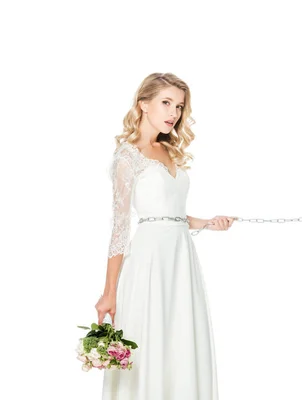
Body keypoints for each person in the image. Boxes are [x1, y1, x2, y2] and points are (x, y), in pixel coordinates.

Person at [95, 72, 234, 400]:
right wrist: (109, 292)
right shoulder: (127, 157)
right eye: (166, 103)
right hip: (150, 262)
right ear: (144, 105)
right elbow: (120, 229)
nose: (174, 113)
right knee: (151, 337)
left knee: (181, 338)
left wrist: (208, 222)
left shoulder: (171, 151)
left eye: (179, 106)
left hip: (182, 260)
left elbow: (171, 213)